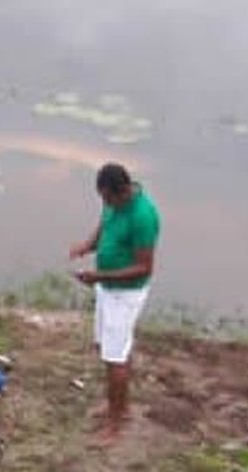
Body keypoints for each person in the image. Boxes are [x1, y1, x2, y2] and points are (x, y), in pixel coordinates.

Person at [69, 163, 161, 441]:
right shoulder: (113, 202)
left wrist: (99, 275)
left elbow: (144, 267)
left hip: (125, 294)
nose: (105, 203)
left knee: (115, 358)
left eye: (108, 198)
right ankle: (120, 406)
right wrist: (88, 246)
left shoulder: (143, 217)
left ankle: (115, 423)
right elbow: (104, 224)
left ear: (121, 192)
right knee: (111, 349)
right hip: (107, 289)